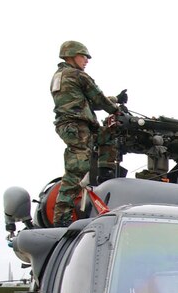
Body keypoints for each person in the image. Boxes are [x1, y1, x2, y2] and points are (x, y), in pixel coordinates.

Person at [51, 41, 125, 227]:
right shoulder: (77, 75)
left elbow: (87, 101)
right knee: (77, 169)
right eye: (84, 56)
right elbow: (98, 99)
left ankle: (106, 175)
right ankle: (61, 217)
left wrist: (115, 99)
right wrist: (116, 109)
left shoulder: (61, 76)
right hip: (77, 127)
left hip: (75, 126)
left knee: (110, 135)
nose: (86, 61)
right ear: (72, 55)